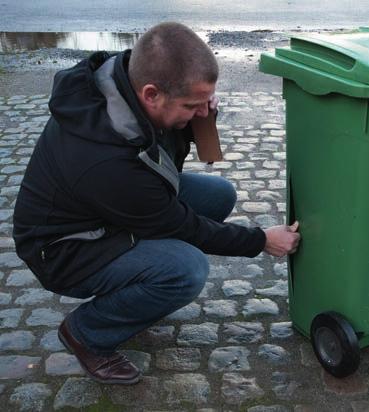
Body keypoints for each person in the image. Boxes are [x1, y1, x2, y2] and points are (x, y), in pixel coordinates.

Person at [13, 22, 300, 385]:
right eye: (191, 105)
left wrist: (199, 117)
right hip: (65, 249)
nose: (200, 111)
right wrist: (260, 240)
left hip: (108, 209)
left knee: (218, 195)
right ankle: (87, 333)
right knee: (185, 269)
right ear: (151, 94)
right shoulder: (106, 161)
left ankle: (140, 290)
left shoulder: (127, 82)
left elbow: (166, 159)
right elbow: (179, 224)